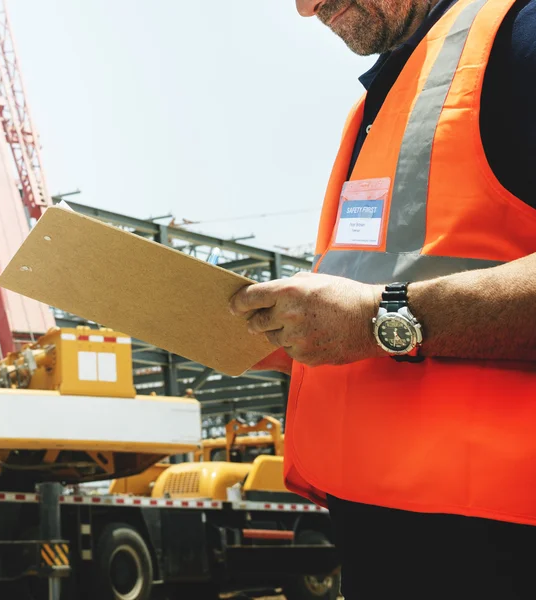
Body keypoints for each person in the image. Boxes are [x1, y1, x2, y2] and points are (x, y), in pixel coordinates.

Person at [229, 0, 536, 597]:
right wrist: (293, 335)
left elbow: (379, 311)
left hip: (501, 541)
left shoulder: (518, 44)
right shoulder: (384, 102)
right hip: (385, 533)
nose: (304, 8)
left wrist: (379, 320)